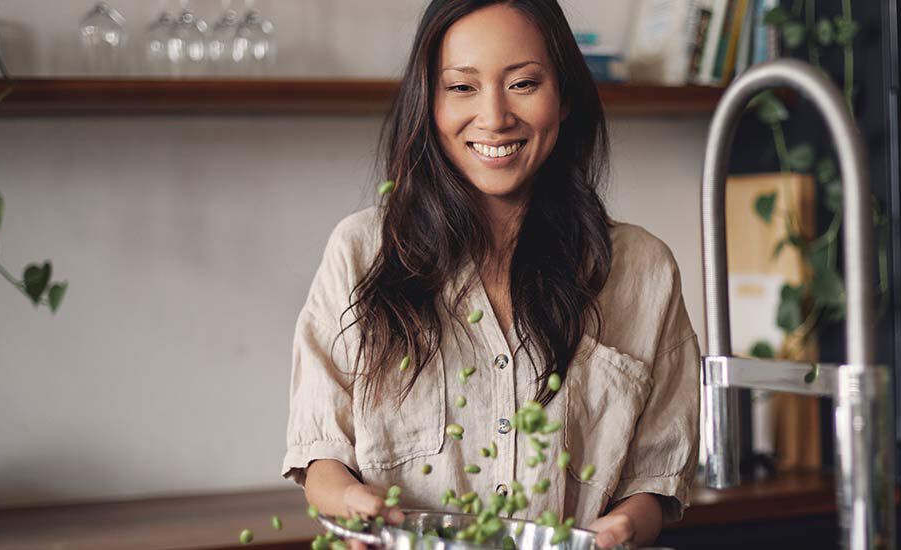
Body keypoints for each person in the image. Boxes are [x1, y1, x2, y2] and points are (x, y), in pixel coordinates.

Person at [280, 1, 700, 547]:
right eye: (461, 87)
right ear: (428, 104)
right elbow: (320, 455)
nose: (495, 116)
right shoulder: (362, 251)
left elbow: (656, 479)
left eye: (524, 84)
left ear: (565, 96)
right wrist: (355, 503)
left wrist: (621, 527)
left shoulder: (643, 268)